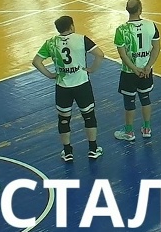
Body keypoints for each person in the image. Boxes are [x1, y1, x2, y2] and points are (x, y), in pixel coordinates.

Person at [32, 15, 106, 161]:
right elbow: (100, 54)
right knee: (89, 116)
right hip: (82, 84)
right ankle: (93, 149)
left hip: (63, 87)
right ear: (71, 26)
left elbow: (36, 61)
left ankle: (67, 152)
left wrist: (50, 75)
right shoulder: (81, 39)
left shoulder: (51, 43)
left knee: (64, 120)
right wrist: (91, 69)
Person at [113, 0, 159, 142]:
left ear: (127, 10)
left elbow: (123, 55)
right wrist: (148, 66)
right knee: (145, 99)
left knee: (129, 102)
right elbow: (156, 48)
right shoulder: (151, 25)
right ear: (140, 9)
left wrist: (134, 68)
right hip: (146, 71)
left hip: (129, 72)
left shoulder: (121, 30)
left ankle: (129, 132)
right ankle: (147, 128)